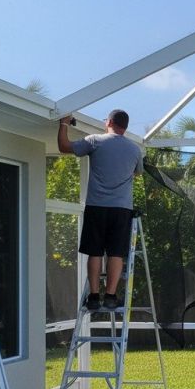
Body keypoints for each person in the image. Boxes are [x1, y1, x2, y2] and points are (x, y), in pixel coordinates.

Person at [57, 110, 143, 310]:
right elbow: (137, 173)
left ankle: (94, 297)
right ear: (125, 126)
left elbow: (64, 147)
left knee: (95, 252)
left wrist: (63, 123)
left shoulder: (95, 141)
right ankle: (111, 296)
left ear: (109, 122)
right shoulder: (134, 149)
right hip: (121, 209)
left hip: (97, 206)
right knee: (116, 253)